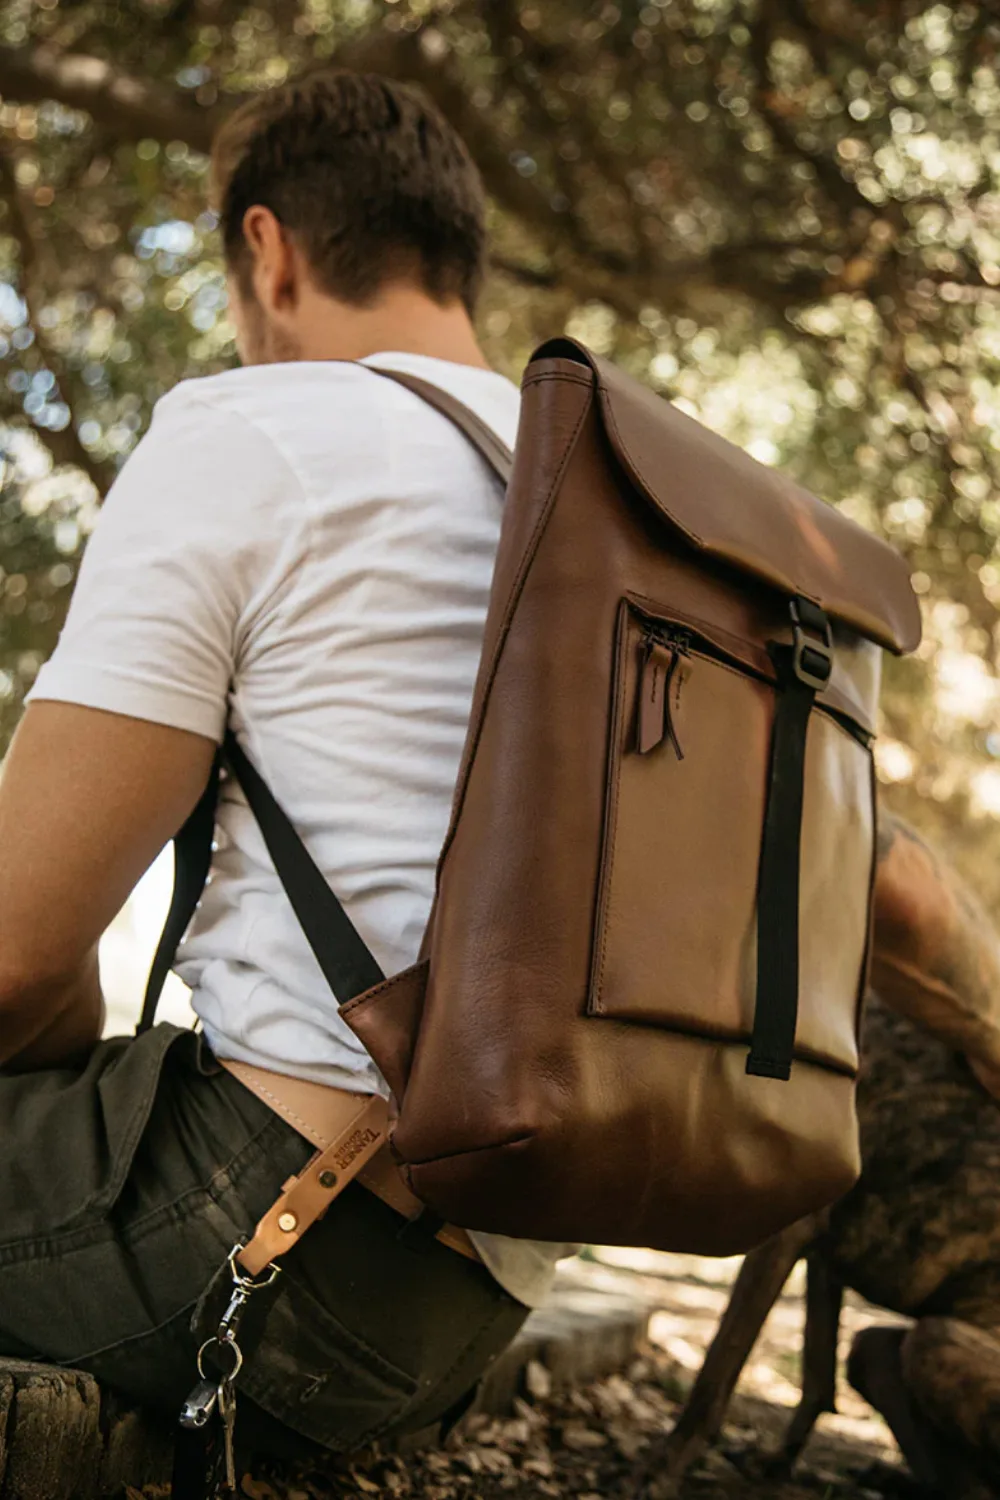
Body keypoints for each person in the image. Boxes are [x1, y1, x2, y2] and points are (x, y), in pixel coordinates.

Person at [0, 69, 572, 1459]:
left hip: (264, 1237)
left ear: (267, 248)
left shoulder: (257, 434)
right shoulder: (609, 490)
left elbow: (17, 955)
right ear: (455, 255)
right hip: (471, 1298)